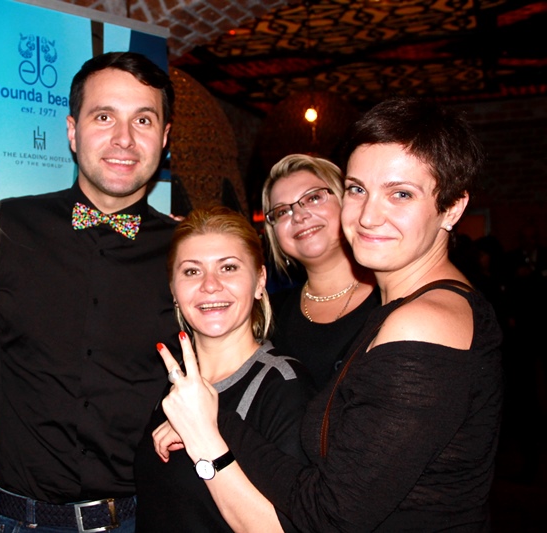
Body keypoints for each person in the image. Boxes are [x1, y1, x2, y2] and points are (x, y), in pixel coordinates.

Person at [155, 97, 504, 532]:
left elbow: (329, 516)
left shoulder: (423, 322)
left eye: (400, 194)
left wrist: (212, 424)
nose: (369, 215)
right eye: (358, 189)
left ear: (452, 207)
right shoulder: (405, 309)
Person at [0, 51, 179, 532]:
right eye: (104, 116)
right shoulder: (4, 227)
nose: (124, 138)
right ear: (72, 132)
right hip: (19, 521)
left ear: (164, 138)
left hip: (144, 519)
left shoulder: (189, 254)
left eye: (143, 120)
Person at [134, 206, 315, 532]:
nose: (210, 285)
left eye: (228, 267)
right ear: (173, 289)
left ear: (259, 281)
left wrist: (203, 435)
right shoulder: (177, 380)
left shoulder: (284, 386)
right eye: (192, 271)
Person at [263, 154, 380, 391]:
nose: (299, 216)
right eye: (282, 212)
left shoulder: (393, 297)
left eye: (314, 198)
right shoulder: (269, 317)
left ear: (347, 202)